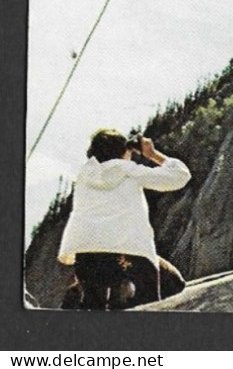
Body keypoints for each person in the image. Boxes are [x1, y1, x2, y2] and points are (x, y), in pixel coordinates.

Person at [58, 128, 191, 309]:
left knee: (93, 307)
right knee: (167, 290)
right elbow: (180, 176)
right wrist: (153, 154)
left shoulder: (84, 175)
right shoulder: (127, 169)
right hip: (128, 251)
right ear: (124, 151)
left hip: (86, 253)